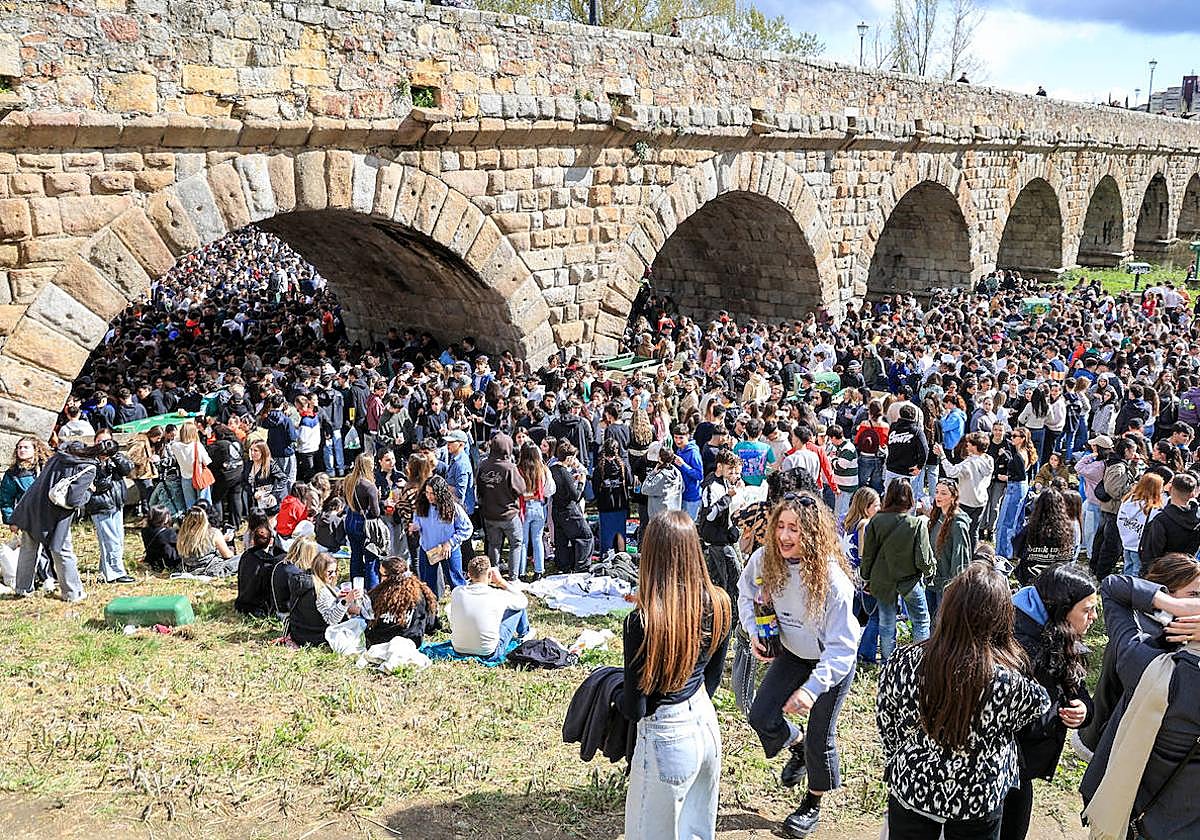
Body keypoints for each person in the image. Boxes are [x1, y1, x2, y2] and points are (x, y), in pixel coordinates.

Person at [876, 562, 1050, 840]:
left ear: (948, 607)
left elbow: (887, 722)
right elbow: (1040, 704)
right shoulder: (1007, 683)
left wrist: (907, 757)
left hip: (913, 784)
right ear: (1002, 618)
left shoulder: (902, 661)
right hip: (978, 795)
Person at [738, 492, 859, 839]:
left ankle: (811, 804)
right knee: (761, 715)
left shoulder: (833, 580)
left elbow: (842, 647)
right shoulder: (764, 560)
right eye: (781, 526)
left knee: (821, 736)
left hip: (830, 660)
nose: (785, 536)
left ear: (813, 533)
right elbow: (745, 594)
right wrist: (754, 632)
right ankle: (797, 745)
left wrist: (812, 689)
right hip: (792, 653)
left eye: (795, 528)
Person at [621, 509, 731, 840]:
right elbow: (711, 680)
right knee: (696, 832)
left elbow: (636, 708)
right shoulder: (719, 602)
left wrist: (612, 693)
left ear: (651, 555)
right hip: (705, 726)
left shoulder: (642, 622)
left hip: (666, 736)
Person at [1079, 569, 1200, 840]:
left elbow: (1113, 587)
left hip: (1130, 816)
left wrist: (1176, 607)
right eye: (1194, 596)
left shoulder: (1143, 663)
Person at [1001, 564, 1097, 840]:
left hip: (1023, 768)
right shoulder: (1018, 646)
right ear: (1062, 609)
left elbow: (1077, 691)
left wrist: (1083, 710)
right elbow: (1016, 717)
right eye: (1087, 610)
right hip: (1002, 767)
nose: (1094, 617)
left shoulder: (1060, 634)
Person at [11, 440, 106, 602]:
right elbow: (74, 500)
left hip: (32, 505)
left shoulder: (57, 457)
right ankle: (72, 593)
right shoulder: (88, 468)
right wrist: (90, 491)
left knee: (28, 549)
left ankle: (22, 589)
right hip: (55, 514)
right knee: (62, 551)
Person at [860, 478, 934, 663]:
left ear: (889, 496)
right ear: (909, 498)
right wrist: (929, 573)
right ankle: (918, 662)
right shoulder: (916, 524)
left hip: (883, 581)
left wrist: (866, 577)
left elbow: (868, 555)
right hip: (909, 581)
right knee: (921, 621)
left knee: (887, 623)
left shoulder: (876, 521)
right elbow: (923, 559)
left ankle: (888, 663)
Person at [449, 554, 531, 656]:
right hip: (488, 652)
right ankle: (524, 634)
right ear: (490, 575)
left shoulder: (457, 592)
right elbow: (523, 601)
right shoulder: (497, 595)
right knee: (518, 608)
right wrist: (501, 582)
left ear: (469, 574)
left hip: (458, 648)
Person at [84, 434, 136, 584]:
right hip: (100, 505)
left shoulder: (114, 458)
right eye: (100, 441)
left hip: (116, 503)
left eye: (107, 441)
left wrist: (115, 455)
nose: (104, 445)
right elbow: (92, 483)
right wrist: (102, 480)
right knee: (109, 541)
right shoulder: (90, 461)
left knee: (118, 540)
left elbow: (128, 469)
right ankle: (115, 573)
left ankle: (105, 571)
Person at [476, 432, 527, 579]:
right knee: (516, 544)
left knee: (494, 545)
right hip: (508, 514)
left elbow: (479, 487)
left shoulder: (483, 464)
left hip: (489, 514)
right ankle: (513, 577)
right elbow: (521, 489)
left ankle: (493, 575)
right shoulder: (509, 468)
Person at [411, 474, 473, 595]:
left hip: (448, 551)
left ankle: (461, 604)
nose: (429, 496)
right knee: (427, 586)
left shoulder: (453, 508)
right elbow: (417, 520)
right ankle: (432, 606)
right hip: (428, 550)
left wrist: (450, 542)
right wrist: (415, 526)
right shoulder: (422, 506)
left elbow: (467, 528)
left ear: (441, 493)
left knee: (456, 583)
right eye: (427, 492)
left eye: (432, 493)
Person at [287, 552, 364, 647]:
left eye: (335, 571)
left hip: (299, 633)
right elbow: (332, 620)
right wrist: (346, 601)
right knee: (360, 622)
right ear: (320, 570)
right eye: (329, 572)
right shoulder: (321, 591)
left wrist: (336, 596)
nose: (334, 575)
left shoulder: (305, 582)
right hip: (316, 637)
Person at [697, 448, 742, 606]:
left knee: (729, 577)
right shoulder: (711, 485)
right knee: (729, 580)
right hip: (716, 541)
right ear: (719, 466)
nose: (732, 473)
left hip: (725, 537)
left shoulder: (724, 480)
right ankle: (727, 610)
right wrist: (727, 497)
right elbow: (710, 515)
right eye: (730, 469)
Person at [1091, 435, 1139, 579]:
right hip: (1112, 511)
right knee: (1111, 546)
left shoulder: (1120, 464)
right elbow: (1114, 491)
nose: (1135, 454)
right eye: (1133, 451)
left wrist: (1134, 465)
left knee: (1102, 542)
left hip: (1110, 510)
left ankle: (1096, 570)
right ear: (1126, 450)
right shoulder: (1117, 467)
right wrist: (1133, 488)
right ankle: (1101, 574)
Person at [843, 486, 881, 665]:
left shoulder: (847, 522)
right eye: (876, 505)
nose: (879, 509)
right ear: (866, 508)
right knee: (874, 615)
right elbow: (864, 555)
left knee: (850, 616)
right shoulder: (865, 525)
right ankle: (864, 655)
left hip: (849, 575)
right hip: (862, 578)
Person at [933, 431, 993, 545]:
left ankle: (960, 551)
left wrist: (942, 456)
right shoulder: (989, 459)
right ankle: (972, 553)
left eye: (969, 443)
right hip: (981, 501)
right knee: (973, 531)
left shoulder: (969, 463)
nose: (967, 444)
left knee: (959, 529)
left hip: (966, 501)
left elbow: (951, 472)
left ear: (975, 446)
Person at [365, 556, 439, 647]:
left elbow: (371, 622)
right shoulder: (423, 592)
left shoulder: (382, 596)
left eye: (382, 574)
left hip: (382, 643)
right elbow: (430, 624)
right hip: (413, 642)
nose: (379, 577)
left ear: (391, 577)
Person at [1012, 487, 1080, 586]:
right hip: (1057, 580)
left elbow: (1017, 550)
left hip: (1031, 578)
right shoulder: (1068, 530)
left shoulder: (1030, 528)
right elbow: (1070, 556)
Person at [925, 478, 972, 620]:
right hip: (931, 582)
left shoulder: (958, 524)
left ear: (953, 497)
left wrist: (954, 588)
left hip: (946, 586)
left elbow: (961, 559)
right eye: (937, 492)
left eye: (943, 493)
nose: (938, 496)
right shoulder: (937, 515)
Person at [1137, 471, 1200, 564]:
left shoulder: (1161, 520)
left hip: (1163, 569)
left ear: (1170, 489)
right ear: (1192, 494)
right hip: (1186, 568)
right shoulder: (1197, 520)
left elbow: (1151, 554)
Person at [549, 441, 594, 572]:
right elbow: (576, 496)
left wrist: (571, 479)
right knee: (586, 536)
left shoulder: (552, 469)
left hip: (556, 509)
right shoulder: (564, 473)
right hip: (569, 511)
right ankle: (582, 566)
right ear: (569, 458)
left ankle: (563, 566)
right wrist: (581, 483)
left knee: (561, 540)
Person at [342, 453, 383, 591]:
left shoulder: (348, 480)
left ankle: (356, 588)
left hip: (350, 519)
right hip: (364, 524)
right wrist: (378, 497)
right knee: (371, 558)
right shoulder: (369, 487)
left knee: (356, 556)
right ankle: (372, 591)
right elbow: (376, 513)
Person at [516, 442, 555, 582]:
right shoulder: (543, 469)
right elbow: (550, 490)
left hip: (523, 507)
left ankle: (521, 572)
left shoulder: (518, 469)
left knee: (523, 542)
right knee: (537, 539)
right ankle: (539, 571)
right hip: (538, 506)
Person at [996, 427, 1037, 559]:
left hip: (1015, 488)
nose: (1012, 438)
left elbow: (1020, 475)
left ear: (1022, 439)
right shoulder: (1025, 452)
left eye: (1015, 436)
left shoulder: (1020, 455)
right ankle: (1016, 550)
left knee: (1005, 523)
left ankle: (1002, 554)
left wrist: (1006, 478)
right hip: (1022, 487)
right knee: (1018, 521)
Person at [1117, 473, 1164, 575]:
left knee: (1127, 569)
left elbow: (1119, 521)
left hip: (1126, 543)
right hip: (1140, 547)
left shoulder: (1128, 500)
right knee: (1138, 573)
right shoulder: (1152, 509)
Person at [235, 520, 284, 617]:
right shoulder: (269, 564)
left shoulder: (246, 555)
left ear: (253, 541)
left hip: (242, 603)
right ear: (271, 541)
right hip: (259, 608)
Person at [594, 437, 632, 557]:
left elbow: (595, 488)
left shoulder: (600, 467)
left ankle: (606, 556)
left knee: (607, 533)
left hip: (605, 505)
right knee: (620, 532)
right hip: (621, 504)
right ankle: (622, 556)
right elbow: (630, 481)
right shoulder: (622, 465)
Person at [175, 505, 238, 577]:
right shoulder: (213, 533)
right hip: (211, 569)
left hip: (189, 569)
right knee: (242, 557)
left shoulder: (182, 535)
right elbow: (227, 555)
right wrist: (232, 551)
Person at [170, 420, 213, 509]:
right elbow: (207, 461)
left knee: (190, 505)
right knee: (203, 504)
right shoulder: (197, 445)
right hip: (199, 476)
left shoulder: (175, 446)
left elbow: (174, 440)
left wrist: (182, 436)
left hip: (185, 477)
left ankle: (192, 518)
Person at [640, 441, 682, 519]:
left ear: (659, 458)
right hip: (673, 515)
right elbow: (682, 488)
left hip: (659, 518)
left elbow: (644, 489)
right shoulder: (677, 473)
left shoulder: (660, 476)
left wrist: (652, 473)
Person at [140, 505, 180, 572]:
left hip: (153, 562)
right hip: (168, 564)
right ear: (163, 517)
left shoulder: (145, 530)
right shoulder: (169, 532)